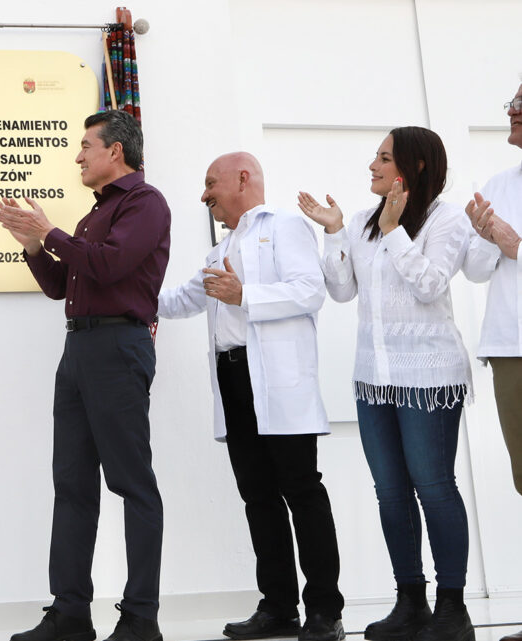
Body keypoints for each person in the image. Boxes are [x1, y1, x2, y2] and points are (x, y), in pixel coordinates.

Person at [0, 109, 170, 641]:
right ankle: (70, 612)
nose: (78, 156)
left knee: (131, 483)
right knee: (71, 484)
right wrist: (32, 242)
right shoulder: (94, 215)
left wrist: (50, 230)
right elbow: (60, 284)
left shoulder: (146, 203)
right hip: (79, 350)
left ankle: (141, 617)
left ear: (114, 151)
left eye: (85, 147)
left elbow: (110, 265)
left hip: (119, 347)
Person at [158, 152, 344, 641]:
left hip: (278, 381)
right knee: (258, 498)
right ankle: (278, 607)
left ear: (243, 178)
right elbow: (183, 299)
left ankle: (325, 610)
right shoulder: (218, 249)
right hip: (233, 378)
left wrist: (247, 296)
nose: (204, 195)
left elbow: (309, 291)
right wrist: (129, 297)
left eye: (210, 183)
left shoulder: (284, 224)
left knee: (302, 493)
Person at [299, 126, 473, 641]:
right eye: (374, 157)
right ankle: (410, 603)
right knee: (391, 494)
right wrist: (334, 232)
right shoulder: (360, 222)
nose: (371, 166)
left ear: (414, 167)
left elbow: (430, 285)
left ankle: (453, 608)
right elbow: (342, 289)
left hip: (429, 377)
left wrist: (396, 230)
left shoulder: (448, 219)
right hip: (374, 381)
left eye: (383, 157)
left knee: (434, 487)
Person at [460, 83, 522, 641]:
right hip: (509, 349)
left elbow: (511, 248)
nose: (511, 109)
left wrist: (513, 242)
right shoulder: (500, 184)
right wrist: (485, 236)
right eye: (511, 101)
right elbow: (478, 271)